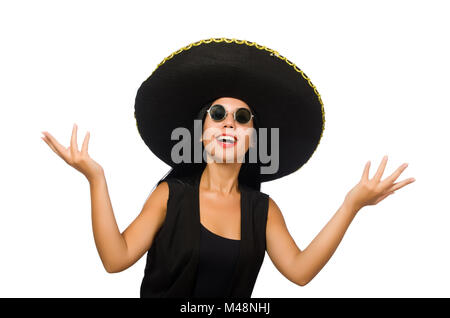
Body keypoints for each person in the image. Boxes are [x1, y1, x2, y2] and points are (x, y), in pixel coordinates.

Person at [41, 37, 416, 298]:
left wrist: (351, 205)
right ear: (201, 132)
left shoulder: (263, 211)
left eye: (242, 117)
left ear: (254, 138)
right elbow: (115, 259)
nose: (228, 123)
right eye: (216, 114)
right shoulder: (169, 197)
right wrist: (96, 177)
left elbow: (300, 272)